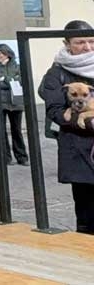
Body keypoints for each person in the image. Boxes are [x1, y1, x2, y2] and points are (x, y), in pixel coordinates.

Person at [38, 20, 94, 234]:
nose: (87, 47)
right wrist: (89, 122)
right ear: (67, 43)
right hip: (78, 151)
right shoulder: (57, 73)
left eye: (91, 41)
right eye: (80, 42)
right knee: (88, 214)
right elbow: (55, 112)